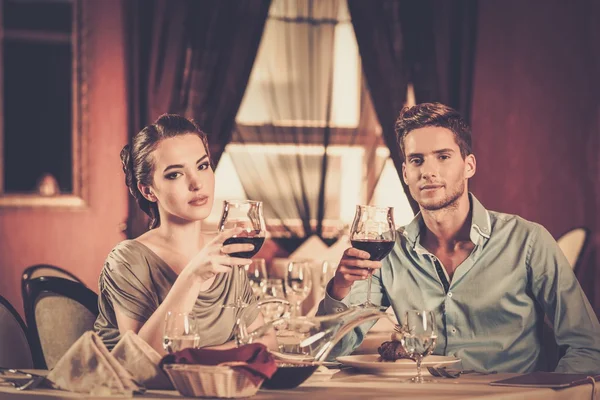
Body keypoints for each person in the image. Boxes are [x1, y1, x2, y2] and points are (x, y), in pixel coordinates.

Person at [318, 102, 600, 374]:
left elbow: (588, 349)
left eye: (443, 156)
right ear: (405, 173)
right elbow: (327, 354)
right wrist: (339, 289)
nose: (428, 171)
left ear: (469, 165)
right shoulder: (389, 252)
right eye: (417, 160)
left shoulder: (527, 241)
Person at [94, 114, 275, 354]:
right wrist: (192, 277)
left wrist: (195, 359)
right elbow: (141, 358)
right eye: (175, 174)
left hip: (210, 390)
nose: (197, 183)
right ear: (148, 191)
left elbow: (267, 340)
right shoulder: (127, 260)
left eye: (202, 166)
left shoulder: (223, 252)